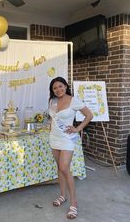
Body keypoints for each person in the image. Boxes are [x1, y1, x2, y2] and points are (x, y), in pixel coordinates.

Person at [48, 77, 93, 220]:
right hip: (54, 138)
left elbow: (89, 115)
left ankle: (74, 202)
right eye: (55, 88)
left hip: (67, 139)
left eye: (60, 86)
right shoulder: (52, 101)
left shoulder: (74, 100)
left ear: (66, 86)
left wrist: (77, 128)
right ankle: (62, 196)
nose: (58, 90)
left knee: (64, 168)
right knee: (59, 168)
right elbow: (52, 119)